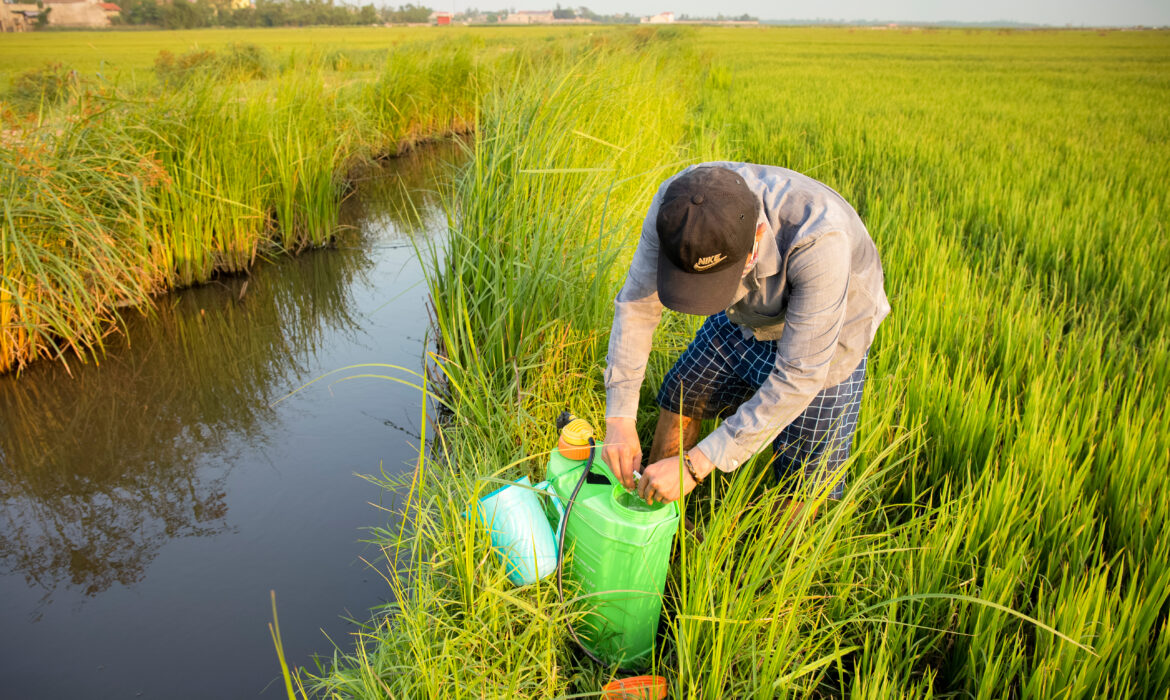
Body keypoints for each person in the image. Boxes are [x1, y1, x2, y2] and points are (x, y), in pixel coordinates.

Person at [602, 162, 890, 510]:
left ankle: (779, 558)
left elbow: (800, 375)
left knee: (805, 474)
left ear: (755, 241)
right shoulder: (677, 208)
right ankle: (662, 516)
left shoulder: (819, 239)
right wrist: (619, 418)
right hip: (745, 315)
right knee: (684, 391)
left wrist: (696, 466)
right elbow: (637, 305)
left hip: (829, 335)